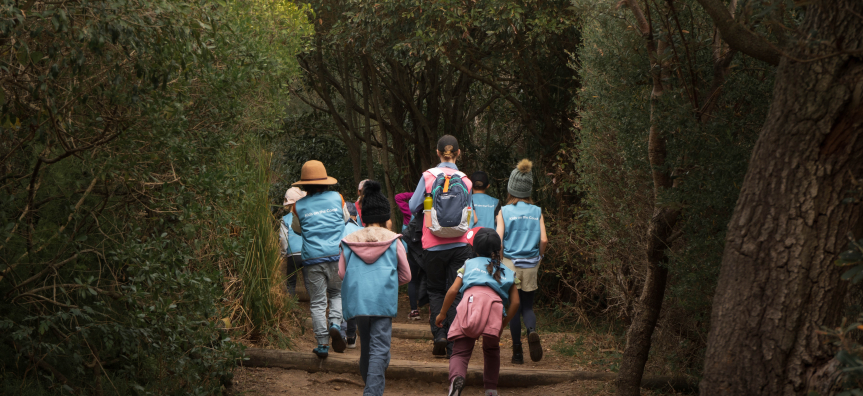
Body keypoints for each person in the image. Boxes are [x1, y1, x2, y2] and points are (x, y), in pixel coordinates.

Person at [339, 180, 411, 396]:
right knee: (380, 349)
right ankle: (372, 392)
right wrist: (386, 284)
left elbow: (342, 273)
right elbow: (406, 275)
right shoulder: (394, 241)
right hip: (382, 301)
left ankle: (370, 387)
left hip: (359, 301)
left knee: (367, 348)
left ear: (363, 217)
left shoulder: (349, 240)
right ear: (386, 218)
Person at [408, 135, 474, 357]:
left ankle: (439, 336)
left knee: (435, 290)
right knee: (455, 293)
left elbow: (413, 205)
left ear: (437, 153)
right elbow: (470, 213)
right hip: (460, 244)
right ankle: (454, 342)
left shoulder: (428, 176)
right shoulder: (466, 180)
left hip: (433, 245)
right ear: (458, 152)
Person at [436, 228, 520, 396]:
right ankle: (490, 389)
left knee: (460, 351)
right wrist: (503, 323)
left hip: (470, 305)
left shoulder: (468, 265)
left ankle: (456, 379)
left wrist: (442, 313)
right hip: (494, 310)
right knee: (491, 351)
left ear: (474, 249)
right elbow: (516, 302)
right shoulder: (508, 272)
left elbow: (452, 291)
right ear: (499, 249)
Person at [290, 160, 349, 359]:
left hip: (312, 260)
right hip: (336, 255)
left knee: (316, 303)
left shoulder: (298, 206)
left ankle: (322, 344)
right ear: (325, 181)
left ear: (303, 184)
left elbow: (297, 229)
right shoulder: (337, 198)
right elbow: (346, 220)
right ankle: (334, 324)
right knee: (337, 295)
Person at [495, 159, 548, 364]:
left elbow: (498, 240)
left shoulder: (504, 211)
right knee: (527, 307)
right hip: (531, 264)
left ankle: (517, 353)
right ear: (529, 190)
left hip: (510, 264)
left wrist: (500, 260)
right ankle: (532, 331)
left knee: (513, 308)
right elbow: (543, 239)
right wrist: (539, 256)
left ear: (511, 188)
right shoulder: (537, 211)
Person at [340, 201, 362, 349]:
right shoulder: (361, 230)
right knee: (354, 302)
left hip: (342, 269)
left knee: (341, 301)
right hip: (358, 271)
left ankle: (342, 333)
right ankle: (351, 337)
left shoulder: (341, 229)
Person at [279, 187, 306, 295]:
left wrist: (283, 253)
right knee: (309, 282)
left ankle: (291, 305)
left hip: (292, 254)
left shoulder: (285, 219)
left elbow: (283, 239)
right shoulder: (306, 216)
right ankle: (317, 304)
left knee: (291, 282)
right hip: (307, 253)